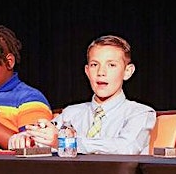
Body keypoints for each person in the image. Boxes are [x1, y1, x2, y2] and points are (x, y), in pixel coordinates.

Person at [11, 35, 157, 155]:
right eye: (94, 65)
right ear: (87, 71)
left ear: (127, 72)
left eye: (111, 65)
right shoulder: (71, 113)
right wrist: (28, 138)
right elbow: (48, 138)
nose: (101, 72)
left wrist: (65, 142)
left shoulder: (140, 113)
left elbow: (126, 147)